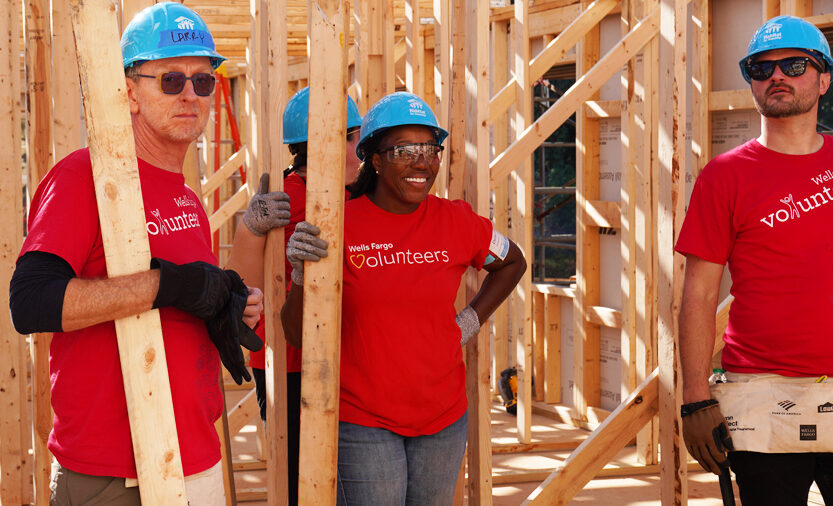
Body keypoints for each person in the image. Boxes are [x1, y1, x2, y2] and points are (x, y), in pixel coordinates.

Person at [8, 3, 264, 504]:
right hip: (115, 477)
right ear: (129, 92)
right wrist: (169, 286)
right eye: (171, 80)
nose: (191, 94)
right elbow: (31, 302)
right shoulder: (85, 178)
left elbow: (180, 302)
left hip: (197, 459)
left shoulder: (186, 195)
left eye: (203, 80)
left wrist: (222, 305)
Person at [676, 15, 833, 505]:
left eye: (793, 65)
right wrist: (695, 397)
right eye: (761, 68)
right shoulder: (724, 177)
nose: (776, 75)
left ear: (823, 79)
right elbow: (698, 293)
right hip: (760, 394)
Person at [280, 91, 527, 505]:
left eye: (430, 149)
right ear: (374, 160)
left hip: (444, 419)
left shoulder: (456, 221)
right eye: (404, 150)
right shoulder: (338, 225)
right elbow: (295, 334)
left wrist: (468, 322)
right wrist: (301, 275)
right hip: (363, 422)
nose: (421, 162)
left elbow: (513, 261)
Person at [224, 86, 364, 506]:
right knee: (304, 481)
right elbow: (239, 286)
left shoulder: (344, 196)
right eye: (355, 138)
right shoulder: (295, 200)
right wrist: (251, 229)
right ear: (331, 141)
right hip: (290, 363)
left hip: (323, 361)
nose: (360, 151)